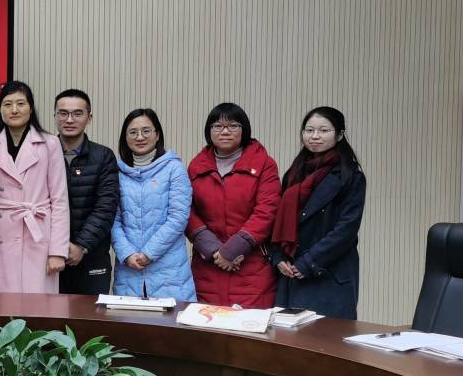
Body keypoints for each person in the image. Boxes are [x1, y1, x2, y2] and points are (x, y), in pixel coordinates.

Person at [270, 106, 365, 319]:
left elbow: (346, 230)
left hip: (328, 273)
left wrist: (308, 262)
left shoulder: (350, 176)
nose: (315, 136)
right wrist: (278, 257)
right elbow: (279, 221)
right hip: (290, 273)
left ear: (339, 135)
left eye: (324, 130)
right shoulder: (294, 173)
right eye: (309, 130)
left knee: (326, 337)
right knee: (287, 335)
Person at [186, 103, 280, 308]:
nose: (225, 131)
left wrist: (232, 251)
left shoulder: (264, 164)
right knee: (207, 324)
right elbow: (187, 210)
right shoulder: (196, 166)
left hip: (251, 266)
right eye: (218, 126)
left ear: (244, 129)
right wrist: (214, 250)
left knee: (249, 325)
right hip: (208, 265)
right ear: (209, 131)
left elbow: (267, 210)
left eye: (233, 125)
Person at [0, 81, 70, 294]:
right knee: (1, 303)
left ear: (31, 108)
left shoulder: (50, 143)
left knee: (37, 303)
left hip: (37, 234)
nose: (14, 110)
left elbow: (59, 199)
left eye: (21, 103)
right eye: (7, 104)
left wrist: (58, 251)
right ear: (0, 109)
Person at [111, 108, 195, 301]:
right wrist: (126, 253)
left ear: (157, 135)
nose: (140, 137)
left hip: (169, 270)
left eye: (146, 131)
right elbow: (113, 220)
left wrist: (149, 253)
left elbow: (178, 217)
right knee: (129, 319)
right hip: (129, 269)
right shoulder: (117, 172)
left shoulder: (174, 169)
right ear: (125, 138)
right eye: (133, 132)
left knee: (171, 319)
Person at [52, 89, 119, 295]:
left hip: (92, 256)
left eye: (77, 113)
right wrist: (57, 247)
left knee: (91, 315)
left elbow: (106, 207)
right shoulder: (44, 153)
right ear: (55, 116)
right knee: (49, 314)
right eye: (63, 113)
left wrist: (81, 245)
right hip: (51, 257)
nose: (69, 119)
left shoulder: (103, 156)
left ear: (89, 118)